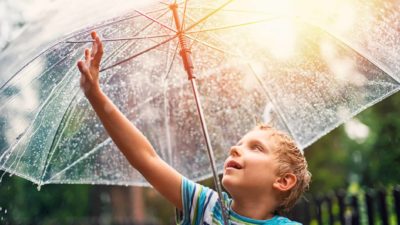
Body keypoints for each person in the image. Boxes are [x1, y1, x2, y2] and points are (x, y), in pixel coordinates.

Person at [77, 31, 311, 225]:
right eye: (239, 143)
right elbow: (146, 158)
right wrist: (95, 94)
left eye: (256, 148)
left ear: (283, 181)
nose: (235, 149)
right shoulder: (205, 206)